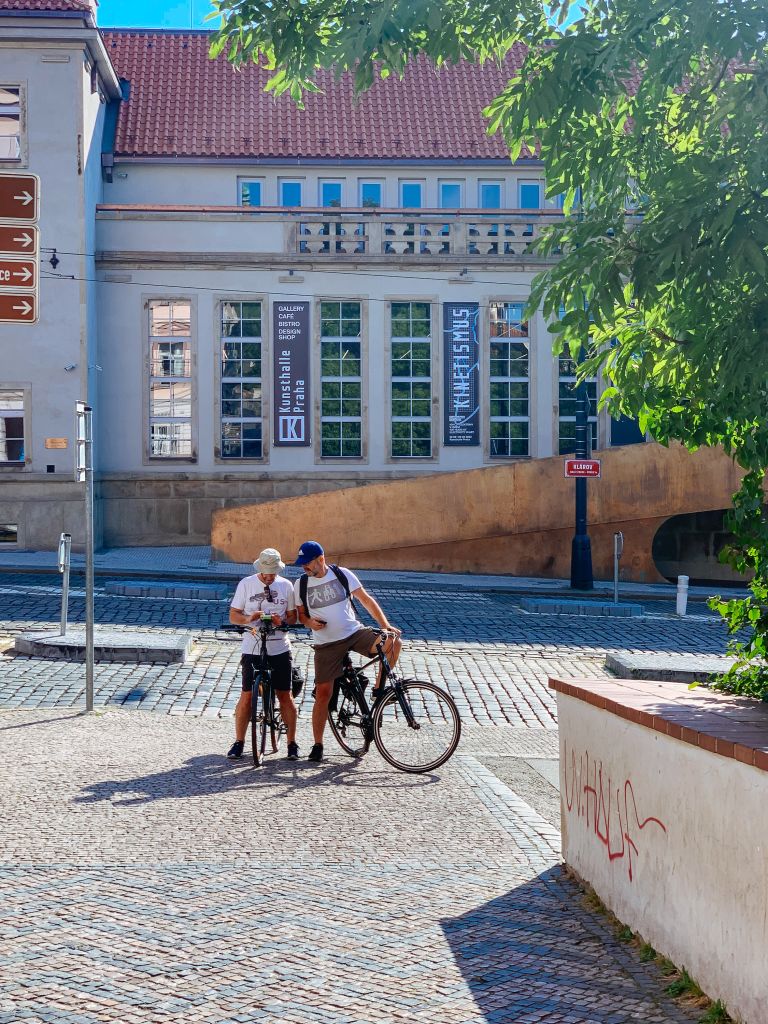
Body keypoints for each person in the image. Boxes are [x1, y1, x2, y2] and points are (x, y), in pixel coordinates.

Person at [293, 540, 402, 763]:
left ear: (320, 559)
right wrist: (309, 623)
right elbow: (300, 615)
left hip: (354, 633)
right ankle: (317, 745)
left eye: (307, 563)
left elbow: (365, 600)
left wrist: (385, 625)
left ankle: (379, 692)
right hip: (326, 644)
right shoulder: (301, 584)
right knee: (323, 693)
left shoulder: (342, 574)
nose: (304, 567)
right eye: (302, 564)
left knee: (393, 642)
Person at [227, 547, 299, 761]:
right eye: (266, 573)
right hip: (253, 646)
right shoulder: (246, 584)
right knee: (247, 695)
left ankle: (292, 743)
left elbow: (293, 618)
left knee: (285, 695)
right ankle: (239, 741)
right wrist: (249, 619)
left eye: (273, 573)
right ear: (260, 568)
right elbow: (233, 615)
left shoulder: (286, 586)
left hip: (279, 647)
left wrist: (282, 622)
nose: (269, 577)